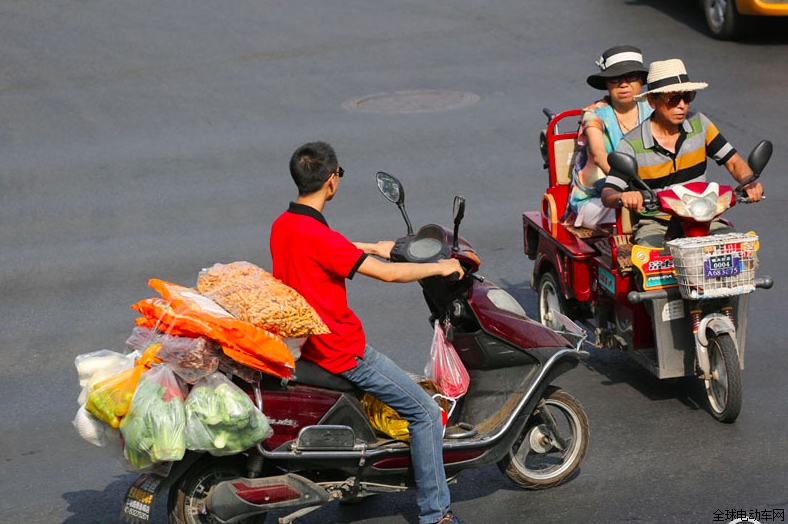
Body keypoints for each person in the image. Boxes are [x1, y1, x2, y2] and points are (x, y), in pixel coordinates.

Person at [269, 141, 468, 524]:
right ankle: (436, 513)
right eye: (339, 174)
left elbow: (327, 248)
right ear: (331, 181)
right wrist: (440, 268)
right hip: (342, 351)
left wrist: (373, 246)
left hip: (307, 346)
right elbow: (389, 274)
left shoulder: (285, 225)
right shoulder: (320, 237)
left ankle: (356, 484)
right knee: (425, 412)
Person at [601, 58, 763, 248]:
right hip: (657, 224)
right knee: (651, 265)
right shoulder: (631, 144)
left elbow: (733, 161)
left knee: (740, 253)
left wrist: (749, 182)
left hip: (704, 218)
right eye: (672, 99)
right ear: (652, 101)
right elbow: (608, 193)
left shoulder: (699, 124)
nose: (682, 105)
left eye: (687, 97)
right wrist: (623, 197)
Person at [564, 45, 653, 229]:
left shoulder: (652, 109)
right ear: (606, 83)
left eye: (631, 76)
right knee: (631, 210)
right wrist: (630, 189)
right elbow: (599, 154)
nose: (623, 84)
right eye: (615, 78)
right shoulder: (594, 114)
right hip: (597, 199)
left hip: (648, 192)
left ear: (641, 80)